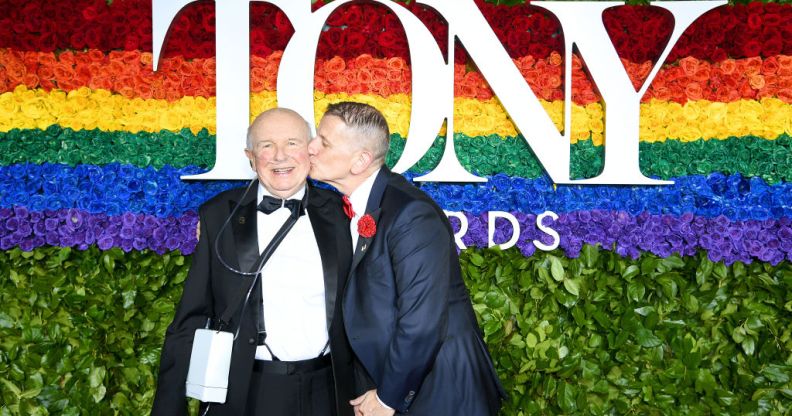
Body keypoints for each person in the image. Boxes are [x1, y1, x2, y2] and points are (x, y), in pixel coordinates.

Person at [151, 108, 355, 416]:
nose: (280, 156)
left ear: (311, 150)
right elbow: (190, 317)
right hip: (249, 392)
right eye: (266, 145)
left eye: (292, 143)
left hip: (330, 390)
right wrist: (169, 409)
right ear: (250, 155)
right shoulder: (219, 215)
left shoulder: (342, 213)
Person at [308, 102, 505, 416]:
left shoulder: (412, 214)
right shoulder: (355, 202)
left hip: (440, 389)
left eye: (324, 142)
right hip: (396, 377)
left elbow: (422, 323)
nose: (311, 147)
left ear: (360, 161)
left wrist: (387, 398)